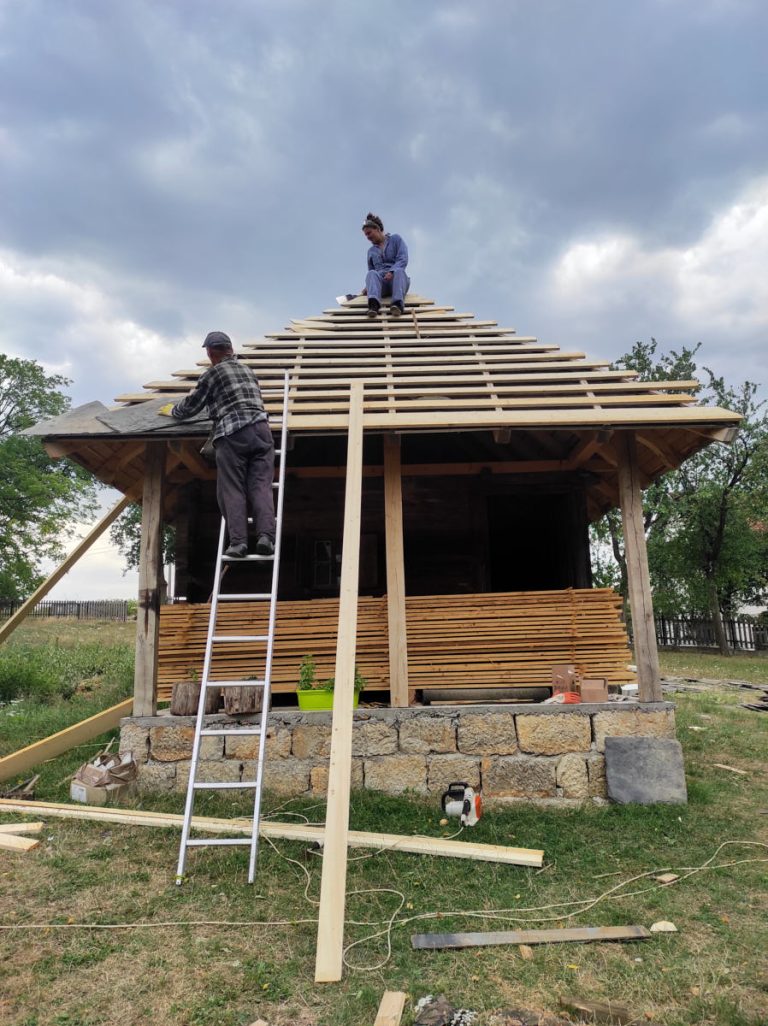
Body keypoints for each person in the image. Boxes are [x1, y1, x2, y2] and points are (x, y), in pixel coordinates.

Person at [162, 331, 276, 559]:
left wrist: (172, 411)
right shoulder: (247, 369)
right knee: (261, 486)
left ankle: (239, 543)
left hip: (233, 433)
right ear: (230, 349)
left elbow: (191, 407)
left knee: (232, 488)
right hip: (262, 431)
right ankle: (266, 538)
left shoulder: (212, 374)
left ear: (211, 352)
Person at [361, 213, 410, 319]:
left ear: (377, 229)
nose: (368, 237)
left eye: (369, 233)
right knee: (371, 273)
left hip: (397, 281)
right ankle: (374, 306)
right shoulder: (371, 251)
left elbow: (403, 258)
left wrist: (392, 271)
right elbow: (371, 271)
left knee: (399, 272)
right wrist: (368, 287)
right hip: (381, 284)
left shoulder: (396, 239)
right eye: (366, 235)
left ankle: (397, 305)